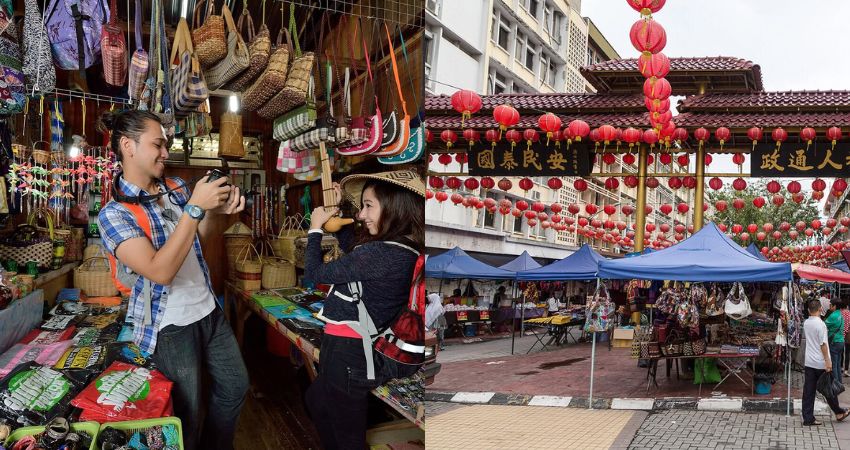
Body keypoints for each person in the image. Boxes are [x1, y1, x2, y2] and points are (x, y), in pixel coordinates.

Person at [97, 110, 248, 450]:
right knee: (187, 414)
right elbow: (159, 270)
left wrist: (214, 214)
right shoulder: (113, 214)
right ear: (128, 146)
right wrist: (195, 209)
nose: (166, 152)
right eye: (158, 144)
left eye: (166, 144)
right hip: (170, 325)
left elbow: (199, 240)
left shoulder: (177, 187)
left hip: (207, 309)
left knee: (235, 386)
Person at [304, 170, 424, 449]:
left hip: (351, 353)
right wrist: (341, 207)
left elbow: (314, 272)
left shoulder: (381, 253)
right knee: (317, 401)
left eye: (369, 206)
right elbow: (353, 247)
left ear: (393, 208)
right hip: (348, 348)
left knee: (348, 438)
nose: (361, 215)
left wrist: (315, 229)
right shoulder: (399, 248)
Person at [802, 298, 849, 426]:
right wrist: (828, 362)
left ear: (808, 310)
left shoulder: (806, 323)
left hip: (809, 362)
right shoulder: (820, 324)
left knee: (809, 391)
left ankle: (808, 418)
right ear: (820, 309)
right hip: (821, 362)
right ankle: (838, 412)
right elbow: (823, 344)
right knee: (829, 389)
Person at [825, 298, 845, 382]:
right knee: (837, 365)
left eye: (831, 304)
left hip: (834, 342)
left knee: (833, 364)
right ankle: (839, 383)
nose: (829, 306)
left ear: (834, 306)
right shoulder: (840, 314)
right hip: (841, 341)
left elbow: (824, 324)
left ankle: (835, 385)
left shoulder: (833, 316)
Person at [842, 302, 850, 377]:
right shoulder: (848, 313)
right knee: (847, 353)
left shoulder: (840, 313)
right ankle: (846, 370)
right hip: (848, 336)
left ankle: (840, 367)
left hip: (840, 335)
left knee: (841, 352)